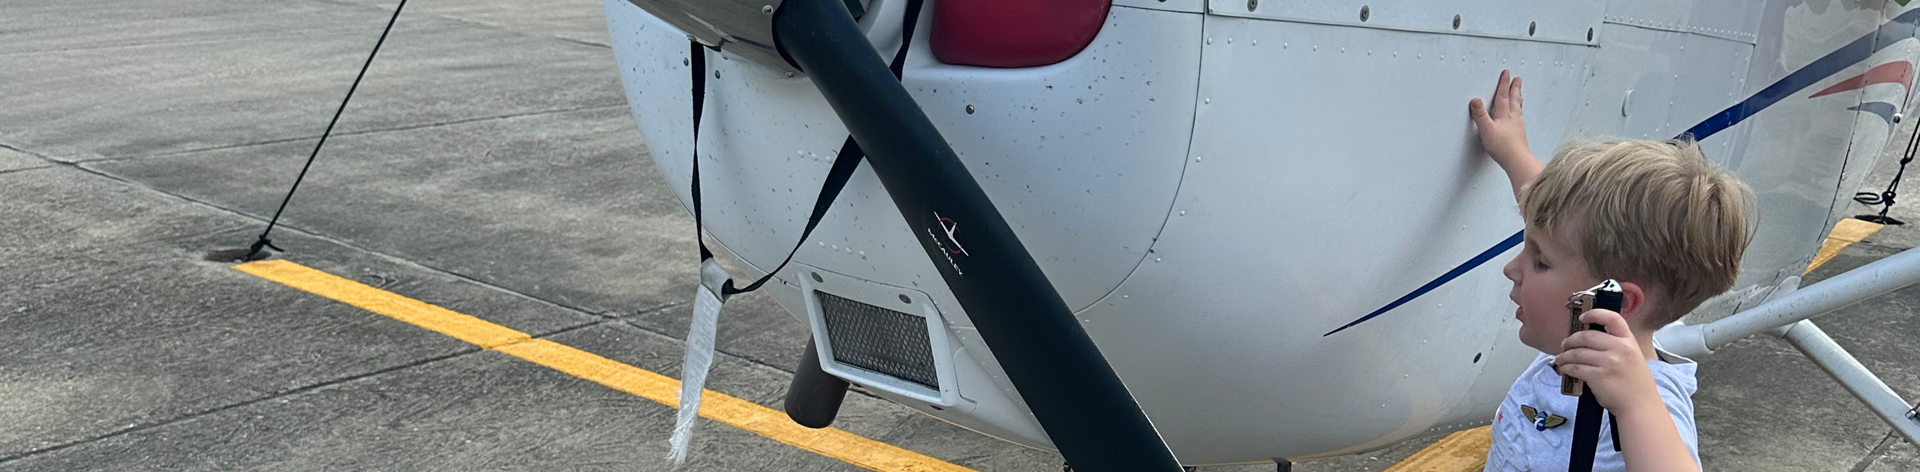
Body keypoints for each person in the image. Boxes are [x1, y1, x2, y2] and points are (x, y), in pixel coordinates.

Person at [1468, 70, 1756, 472]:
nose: (1511, 269)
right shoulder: (1578, 340)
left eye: (1539, 261)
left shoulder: (1647, 406)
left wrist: (1635, 405)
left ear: (1612, 302)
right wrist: (1512, 150)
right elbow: (1564, 234)